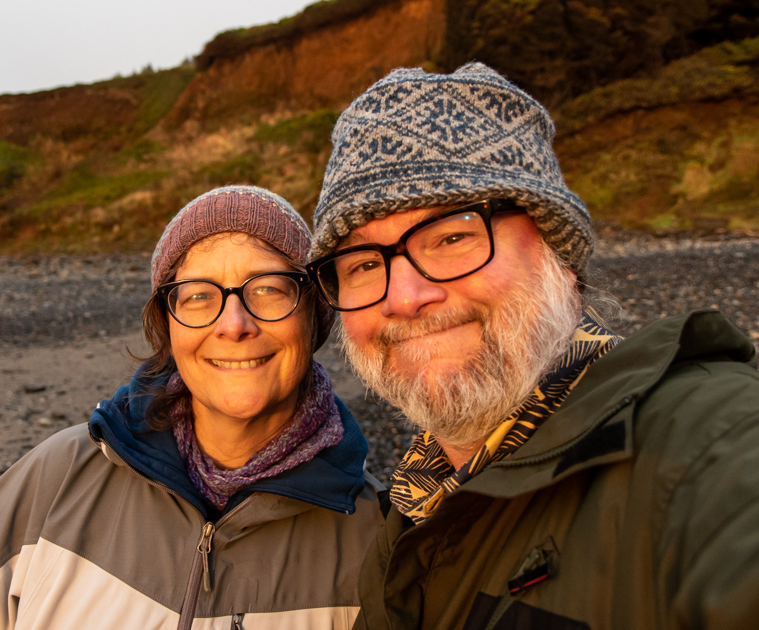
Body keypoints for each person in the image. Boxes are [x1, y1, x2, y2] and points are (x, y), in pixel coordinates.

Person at [306, 63, 759, 629]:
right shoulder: (413, 509)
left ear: (557, 255)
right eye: (365, 264)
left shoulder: (704, 442)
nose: (404, 296)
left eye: (451, 237)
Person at [0, 185, 384, 629]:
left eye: (268, 288)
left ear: (313, 315)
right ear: (169, 327)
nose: (234, 324)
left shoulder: (376, 538)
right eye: (200, 295)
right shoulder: (54, 480)